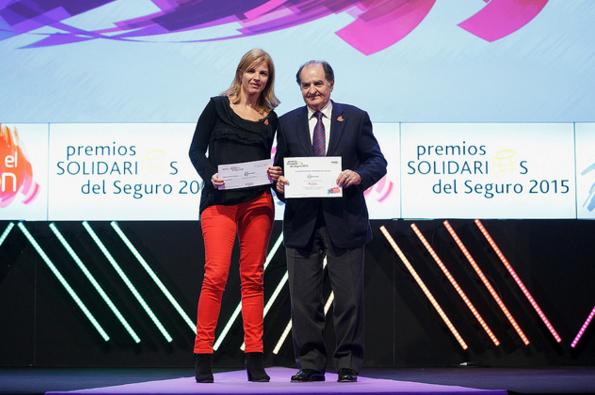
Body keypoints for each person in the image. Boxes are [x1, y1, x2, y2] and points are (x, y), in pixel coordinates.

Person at [274, 60, 387, 383]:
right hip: (301, 222)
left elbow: (377, 161)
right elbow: (280, 169)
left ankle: (348, 363)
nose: (312, 90)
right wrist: (278, 183)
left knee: (349, 299)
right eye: (306, 85)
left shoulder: (354, 117)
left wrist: (359, 175)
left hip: (345, 220)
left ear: (331, 84)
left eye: (318, 84)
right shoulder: (287, 122)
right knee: (304, 301)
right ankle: (310, 364)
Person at [188, 48, 282, 383]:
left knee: (253, 278)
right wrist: (209, 173)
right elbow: (196, 149)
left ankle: (255, 358)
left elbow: (277, 161)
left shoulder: (271, 117)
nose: (257, 78)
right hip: (219, 200)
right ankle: (203, 356)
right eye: (252, 71)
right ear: (240, 72)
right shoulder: (216, 106)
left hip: (258, 201)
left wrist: (276, 173)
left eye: (264, 73)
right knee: (215, 276)